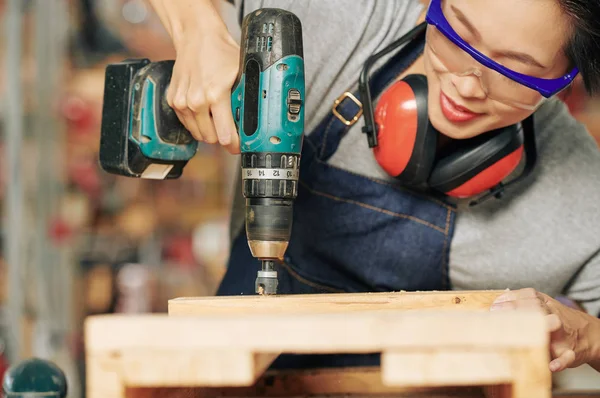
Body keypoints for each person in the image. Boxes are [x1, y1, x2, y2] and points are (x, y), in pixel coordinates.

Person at [146, 0, 600, 374]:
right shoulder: (337, 24)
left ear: (564, 80)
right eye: (458, 34)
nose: (465, 86)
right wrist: (198, 31)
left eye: (514, 70)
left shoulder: (575, 193)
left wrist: (586, 335)